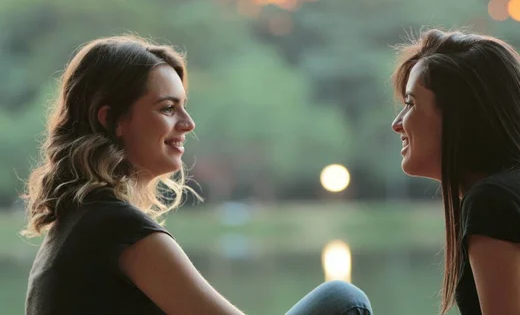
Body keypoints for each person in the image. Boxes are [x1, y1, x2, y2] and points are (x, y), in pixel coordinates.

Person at [22, 35, 372, 315]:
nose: (188, 124)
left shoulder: (76, 225)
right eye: (168, 108)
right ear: (111, 119)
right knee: (341, 298)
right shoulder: (114, 226)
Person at [391, 29, 520, 315]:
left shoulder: (495, 202)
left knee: (340, 298)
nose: (397, 123)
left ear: (459, 116)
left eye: (411, 103)